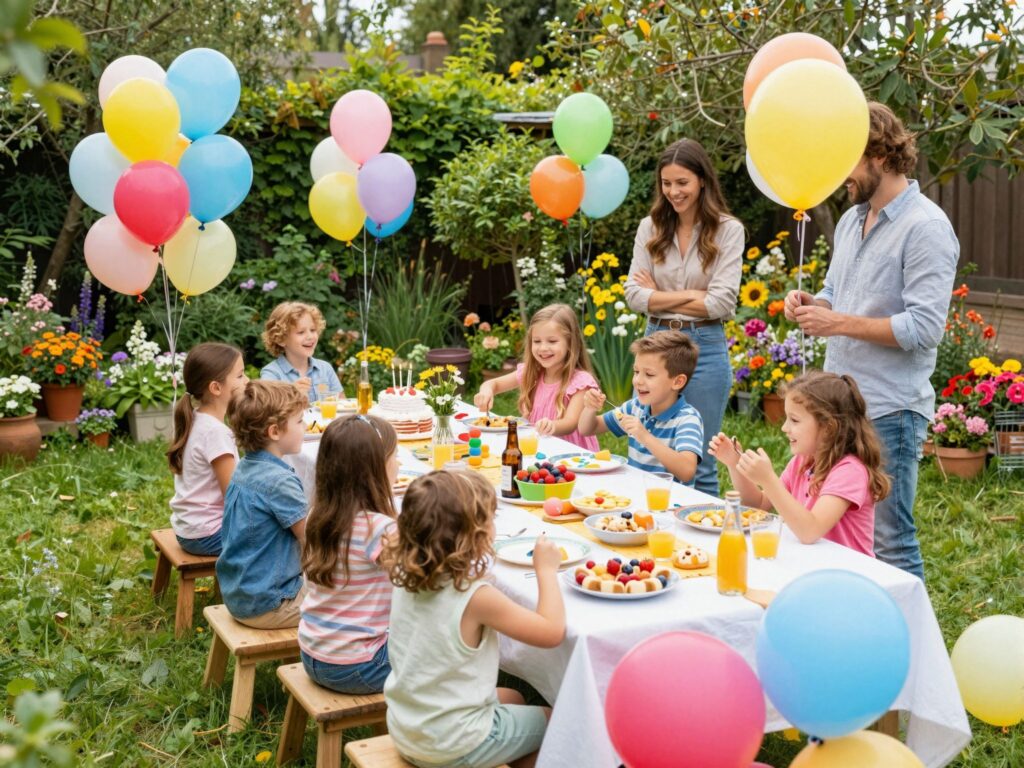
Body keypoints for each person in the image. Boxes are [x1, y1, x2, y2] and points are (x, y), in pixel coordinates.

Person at [784, 103, 959, 579]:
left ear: (880, 155)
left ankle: (915, 651)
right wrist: (811, 302)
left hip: (889, 408)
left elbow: (924, 328)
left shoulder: (925, 227)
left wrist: (837, 322)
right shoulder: (849, 221)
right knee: (841, 538)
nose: (838, 173)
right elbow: (837, 294)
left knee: (890, 539)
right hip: (838, 409)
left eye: (846, 160)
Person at [382, 470, 565, 768]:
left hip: (409, 728)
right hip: (452, 744)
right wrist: (546, 570)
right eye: (490, 519)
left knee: (514, 697)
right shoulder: (475, 596)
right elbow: (551, 632)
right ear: (473, 534)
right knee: (556, 722)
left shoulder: (406, 576)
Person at [624, 138, 745, 496]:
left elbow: (721, 303)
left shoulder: (728, 231)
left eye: (682, 183)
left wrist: (657, 297)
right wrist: (694, 295)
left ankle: (702, 545)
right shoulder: (651, 228)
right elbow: (634, 296)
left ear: (702, 181)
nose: (674, 192)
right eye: (667, 183)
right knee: (648, 450)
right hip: (657, 346)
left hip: (705, 348)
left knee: (701, 460)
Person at [709, 372, 890, 556]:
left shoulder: (850, 471)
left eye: (794, 420)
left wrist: (768, 479)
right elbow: (758, 505)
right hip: (811, 565)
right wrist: (734, 463)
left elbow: (810, 531)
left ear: (828, 427)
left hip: (847, 575)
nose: (784, 427)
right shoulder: (802, 461)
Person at [299, 414, 399, 694]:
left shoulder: (317, 515)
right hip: (361, 666)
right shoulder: (379, 529)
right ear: (375, 469)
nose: (399, 465)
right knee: (437, 650)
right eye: (395, 457)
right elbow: (419, 582)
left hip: (313, 654)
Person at [217, 380, 309, 629]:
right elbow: (311, 540)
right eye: (299, 421)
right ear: (275, 432)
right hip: (272, 604)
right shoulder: (279, 481)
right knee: (348, 602)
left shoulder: (244, 468)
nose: (306, 426)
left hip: (239, 595)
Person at [579, 331, 703, 485]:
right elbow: (588, 429)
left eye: (649, 374)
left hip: (670, 503)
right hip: (636, 493)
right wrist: (589, 409)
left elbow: (687, 471)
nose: (638, 381)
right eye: (636, 372)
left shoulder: (687, 419)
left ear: (677, 382)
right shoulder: (635, 406)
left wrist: (645, 436)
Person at [473, 303, 600, 451]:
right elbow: (492, 384)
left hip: (572, 456)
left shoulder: (580, 382)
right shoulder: (531, 372)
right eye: (537, 341)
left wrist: (552, 425)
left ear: (571, 343)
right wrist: (486, 392)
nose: (543, 348)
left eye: (552, 341)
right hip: (539, 449)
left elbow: (570, 424)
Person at [166, 342, 248, 556]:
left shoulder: (196, 419)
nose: (247, 381)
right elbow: (233, 495)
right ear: (216, 388)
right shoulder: (215, 433)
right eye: (240, 376)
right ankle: (270, 589)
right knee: (278, 536)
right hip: (209, 534)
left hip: (189, 529)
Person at [260, 301, 343, 403]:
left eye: (313, 330)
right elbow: (269, 412)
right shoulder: (272, 374)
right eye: (301, 332)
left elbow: (343, 406)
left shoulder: (325, 369)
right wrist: (293, 393)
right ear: (280, 339)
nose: (310, 336)